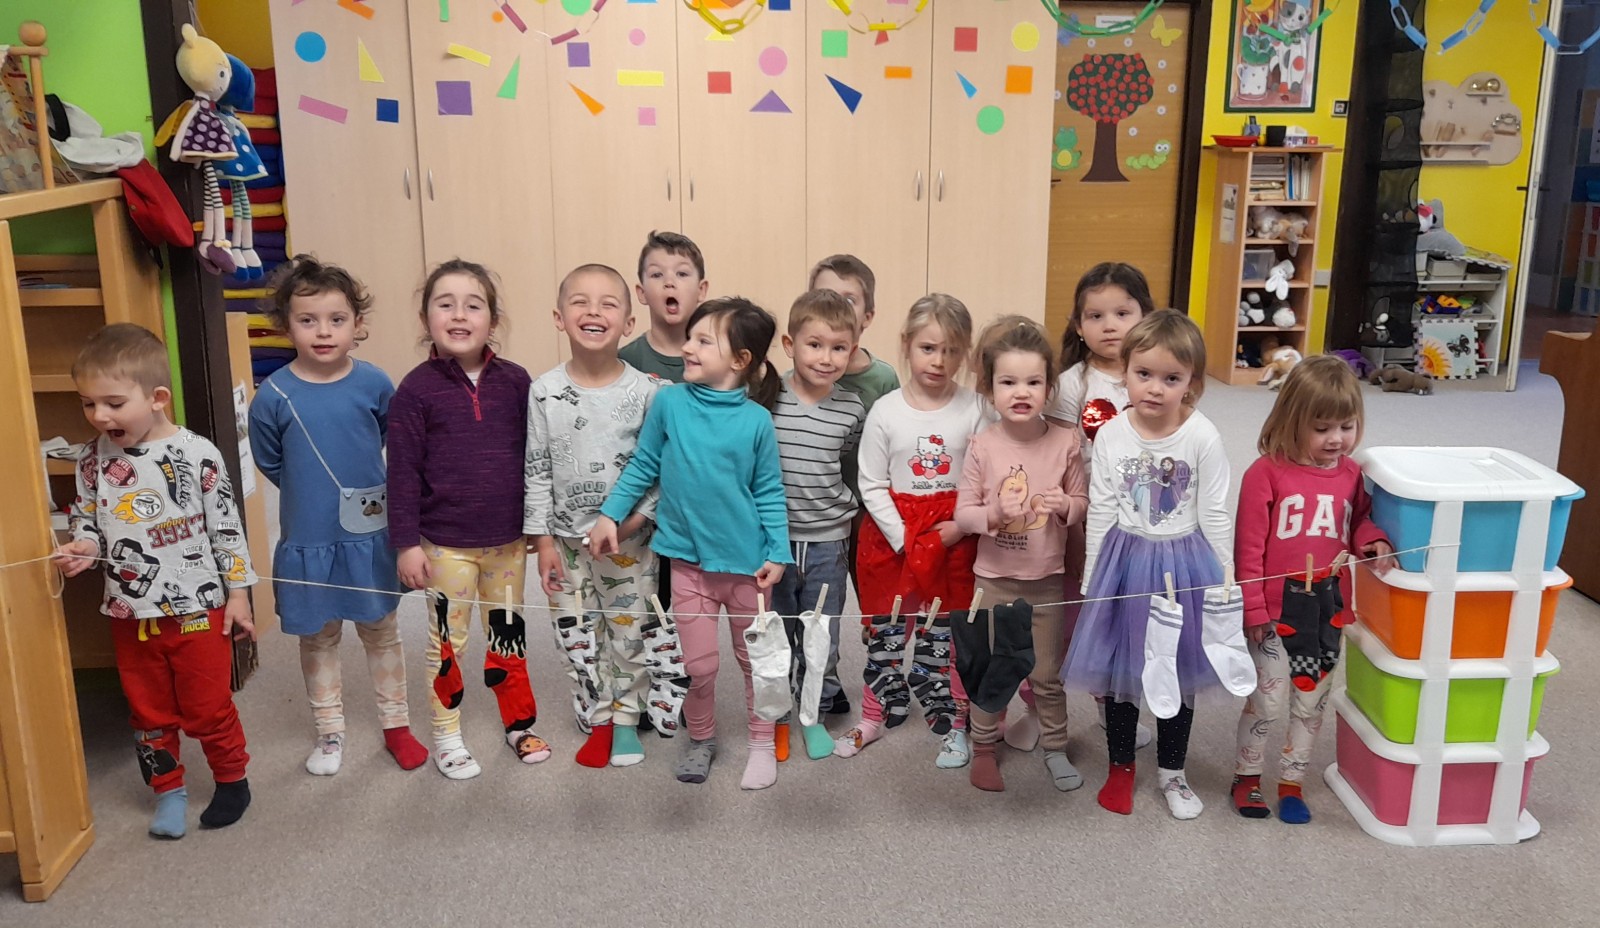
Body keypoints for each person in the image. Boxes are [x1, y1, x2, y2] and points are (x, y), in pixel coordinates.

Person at [55, 323, 256, 838]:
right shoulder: (91, 459)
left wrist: (238, 595)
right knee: (148, 713)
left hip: (198, 608)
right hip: (129, 613)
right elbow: (88, 522)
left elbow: (227, 529)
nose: (100, 416)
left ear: (157, 398)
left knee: (207, 707)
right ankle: (168, 791)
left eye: (114, 403)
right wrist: (84, 547)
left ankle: (232, 779)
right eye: (88, 404)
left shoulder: (198, 453)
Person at [589, 298, 791, 790]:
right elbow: (644, 464)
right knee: (698, 668)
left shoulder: (757, 421)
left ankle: (762, 743)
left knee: (756, 664)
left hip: (748, 568)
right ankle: (701, 739)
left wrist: (778, 552)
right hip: (687, 564)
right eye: (690, 338)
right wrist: (610, 514)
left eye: (704, 340)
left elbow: (769, 490)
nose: (688, 348)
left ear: (740, 360)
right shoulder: (670, 403)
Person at [249, 256, 427, 776]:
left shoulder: (374, 383)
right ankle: (329, 731)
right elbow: (270, 460)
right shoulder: (273, 395)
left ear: (357, 324)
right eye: (308, 320)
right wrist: (311, 495)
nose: (323, 331)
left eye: (336, 319)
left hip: (368, 533)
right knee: (319, 636)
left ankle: (396, 725)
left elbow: (392, 438)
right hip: (310, 537)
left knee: (381, 629)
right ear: (286, 326)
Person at [1061, 309, 1233, 820]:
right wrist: (1093, 579)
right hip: (1126, 562)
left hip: (1185, 567)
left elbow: (1215, 511)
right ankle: (1120, 767)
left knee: (1175, 672)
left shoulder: (1202, 435)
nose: (1155, 388)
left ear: (1192, 383)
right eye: (1144, 374)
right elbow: (1103, 507)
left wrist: (1224, 579)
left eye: (1171, 378)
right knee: (1123, 672)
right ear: (1126, 373)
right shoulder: (1112, 434)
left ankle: (1172, 772)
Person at [388, 259, 544, 780]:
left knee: (507, 636)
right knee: (447, 645)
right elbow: (402, 473)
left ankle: (518, 724)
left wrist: (536, 527)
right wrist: (406, 543)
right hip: (444, 546)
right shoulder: (415, 390)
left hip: (507, 544)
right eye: (445, 304)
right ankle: (447, 734)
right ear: (425, 319)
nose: (459, 315)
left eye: (473, 305)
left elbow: (536, 459)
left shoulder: (517, 382)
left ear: (492, 320)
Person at [526, 263, 677, 770]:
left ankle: (628, 714)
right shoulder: (544, 391)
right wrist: (542, 542)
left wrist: (633, 522)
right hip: (565, 543)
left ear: (629, 323)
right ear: (559, 317)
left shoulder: (651, 391)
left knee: (629, 631)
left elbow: (659, 473)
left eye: (608, 303)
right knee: (577, 632)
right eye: (580, 302)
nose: (594, 311)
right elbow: (537, 467)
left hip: (630, 542)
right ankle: (597, 714)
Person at [1232, 355, 1394, 824]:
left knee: (1310, 704)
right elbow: (1247, 550)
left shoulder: (1351, 475)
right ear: (1292, 421)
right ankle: (1246, 777)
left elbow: (1360, 521)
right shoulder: (1264, 473)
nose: (1336, 438)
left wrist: (1373, 540)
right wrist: (1253, 608)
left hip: (1327, 612)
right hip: (1273, 614)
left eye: (1347, 426)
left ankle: (1291, 783)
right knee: (1266, 701)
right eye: (1322, 428)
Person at [838, 294, 985, 768]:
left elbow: (983, 474)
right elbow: (871, 482)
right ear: (906, 345)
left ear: (964, 353)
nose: (938, 361)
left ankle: (956, 723)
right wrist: (906, 539)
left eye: (951, 350)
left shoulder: (976, 408)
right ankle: (872, 715)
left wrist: (957, 528)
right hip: (894, 538)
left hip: (953, 535)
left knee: (951, 633)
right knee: (889, 631)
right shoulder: (885, 410)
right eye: (928, 348)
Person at [955, 317, 1087, 793]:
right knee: (991, 671)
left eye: (1033, 382)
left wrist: (1065, 506)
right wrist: (993, 513)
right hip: (993, 580)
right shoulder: (983, 445)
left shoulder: (1066, 440)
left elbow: (1083, 503)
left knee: (1048, 675)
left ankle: (1055, 747)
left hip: (1047, 580)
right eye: (1008, 382)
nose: (1021, 392)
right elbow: (963, 514)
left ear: (1049, 388)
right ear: (990, 390)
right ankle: (983, 747)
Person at [1031, 261, 1158, 754]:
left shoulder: (1154, 377)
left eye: (1123, 313)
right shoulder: (1070, 385)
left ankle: (1113, 708)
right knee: (1063, 621)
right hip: (1081, 522)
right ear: (1078, 325)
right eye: (1095, 315)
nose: (1109, 325)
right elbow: (1055, 459)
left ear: (1145, 315)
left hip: (1141, 524)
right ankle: (1037, 706)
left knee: (1123, 623)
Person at [770, 289, 866, 761]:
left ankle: (815, 714)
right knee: (777, 633)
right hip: (774, 542)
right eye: (815, 345)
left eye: (838, 347)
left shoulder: (852, 409)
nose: (826, 358)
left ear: (853, 349)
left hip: (829, 540)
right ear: (790, 345)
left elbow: (849, 464)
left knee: (821, 635)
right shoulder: (766, 399)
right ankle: (779, 715)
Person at [618, 230, 707, 383]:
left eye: (682, 274)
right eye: (657, 274)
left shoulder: (718, 358)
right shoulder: (625, 362)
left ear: (701, 290)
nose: (669, 282)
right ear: (642, 293)